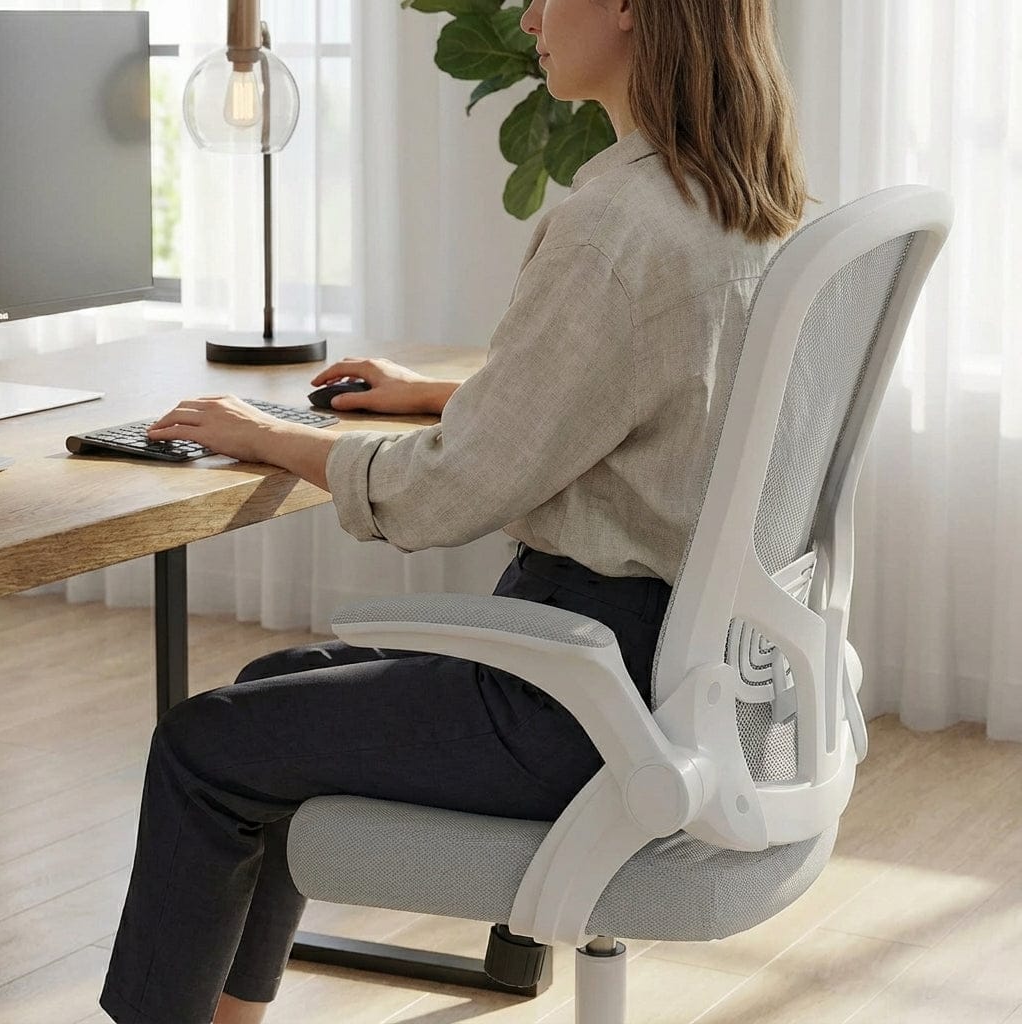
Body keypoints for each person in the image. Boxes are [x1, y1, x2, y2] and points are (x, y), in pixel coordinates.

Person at [99, 1, 807, 1021]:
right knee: (269, 689)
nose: (525, 15)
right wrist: (441, 396)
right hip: (696, 684)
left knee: (204, 746)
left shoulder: (614, 223)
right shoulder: (745, 201)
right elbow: (661, 400)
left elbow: (442, 494)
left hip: (577, 698)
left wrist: (270, 437)